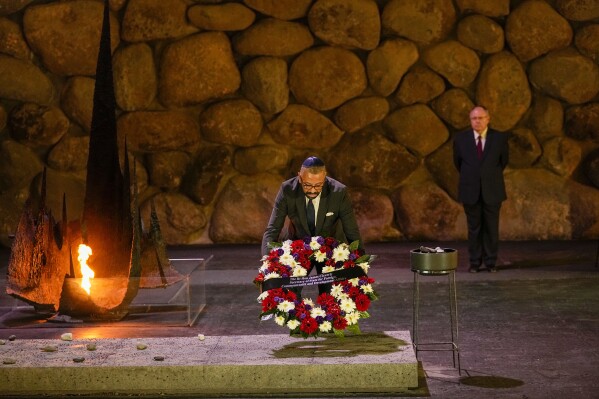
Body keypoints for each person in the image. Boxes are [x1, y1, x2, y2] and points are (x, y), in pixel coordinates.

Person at [262, 156, 363, 295]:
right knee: (286, 290)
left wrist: (360, 263)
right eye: (307, 185)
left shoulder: (339, 192)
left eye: (318, 185)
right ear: (299, 177)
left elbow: (351, 231)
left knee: (333, 293)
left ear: (325, 178)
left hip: (332, 248)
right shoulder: (287, 190)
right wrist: (268, 265)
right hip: (298, 245)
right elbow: (272, 230)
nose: (313, 190)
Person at [453, 105, 509, 273]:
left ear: (487, 119)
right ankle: (475, 263)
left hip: (492, 190)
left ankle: (491, 262)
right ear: (470, 121)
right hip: (470, 191)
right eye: (474, 118)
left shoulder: (499, 138)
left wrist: (486, 175)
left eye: (480, 118)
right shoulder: (461, 139)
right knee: (474, 228)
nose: (477, 121)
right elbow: (458, 163)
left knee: (491, 228)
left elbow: (503, 161)